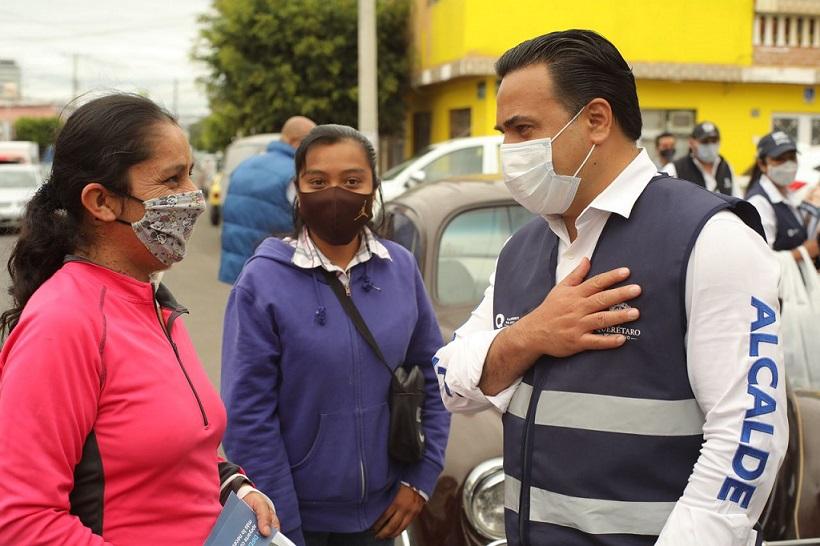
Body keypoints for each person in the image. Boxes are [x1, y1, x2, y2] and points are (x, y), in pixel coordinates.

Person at [434, 30, 786, 546]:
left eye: (523, 129)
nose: (508, 151)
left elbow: (748, 438)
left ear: (597, 120)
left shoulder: (710, 238)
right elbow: (450, 383)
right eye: (503, 132)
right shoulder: (523, 250)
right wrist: (531, 335)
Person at [0, 94, 276, 545]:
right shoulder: (63, 323)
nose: (195, 198)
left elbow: (166, 450)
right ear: (101, 202)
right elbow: (21, 521)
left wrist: (232, 485)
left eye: (190, 174)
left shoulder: (154, 301)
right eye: (171, 180)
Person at [220, 124, 450, 546]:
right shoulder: (262, 282)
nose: (335, 194)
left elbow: (436, 375)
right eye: (318, 181)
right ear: (297, 190)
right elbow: (248, 416)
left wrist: (420, 478)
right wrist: (285, 526)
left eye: (352, 181)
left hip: (384, 516)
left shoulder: (399, 268)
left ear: (373, 187)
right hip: (298, 520)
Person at [218, 115, 316, 284]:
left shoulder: (245, 165)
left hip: (238, 269)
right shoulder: (296, 174)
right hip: (277, 271)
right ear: (296, 142)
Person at [745, 130, 820, 263]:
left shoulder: (789, 194)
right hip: (778, 283)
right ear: (762, 164)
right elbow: (761, 261)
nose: (788, 165)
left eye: (792, 157)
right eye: (779, 159)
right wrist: (804, 252)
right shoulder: (759, 202)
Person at [664, 121, 737, 195]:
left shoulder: (726, 167)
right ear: (691, 142)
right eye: (704, 141)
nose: (710, 146)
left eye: (714, 141)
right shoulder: (675, 169)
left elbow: (737, 198)